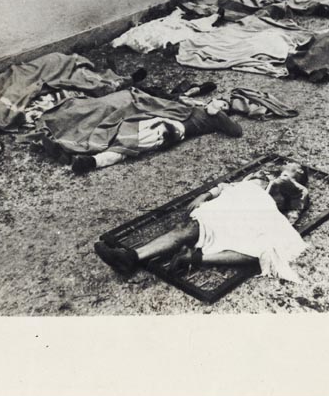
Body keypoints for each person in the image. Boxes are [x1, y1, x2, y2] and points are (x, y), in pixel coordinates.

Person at [94, 162, 311, 282]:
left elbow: (291, 216)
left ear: (299, 172)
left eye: (292, 165)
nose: (286, 164)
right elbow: (231, 187)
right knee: (189, 227)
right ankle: (131, 257)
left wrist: (284, 190)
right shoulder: (261, 175)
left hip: (256, 215)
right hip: (232, 203)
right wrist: (206, 194)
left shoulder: (298, 191)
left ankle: (195, 258)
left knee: (261, 249)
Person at [70, 97, 242, 174]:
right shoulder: (197, 106)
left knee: (133, 145)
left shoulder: (215, 118)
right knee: (124, 131)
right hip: (160, 118)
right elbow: (175, 101)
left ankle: (92, 162)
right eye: (222, 103)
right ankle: (86, 150)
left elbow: (236, 131)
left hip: (174, 128)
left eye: (225, 107)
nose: (222, 106)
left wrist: (220, 113)